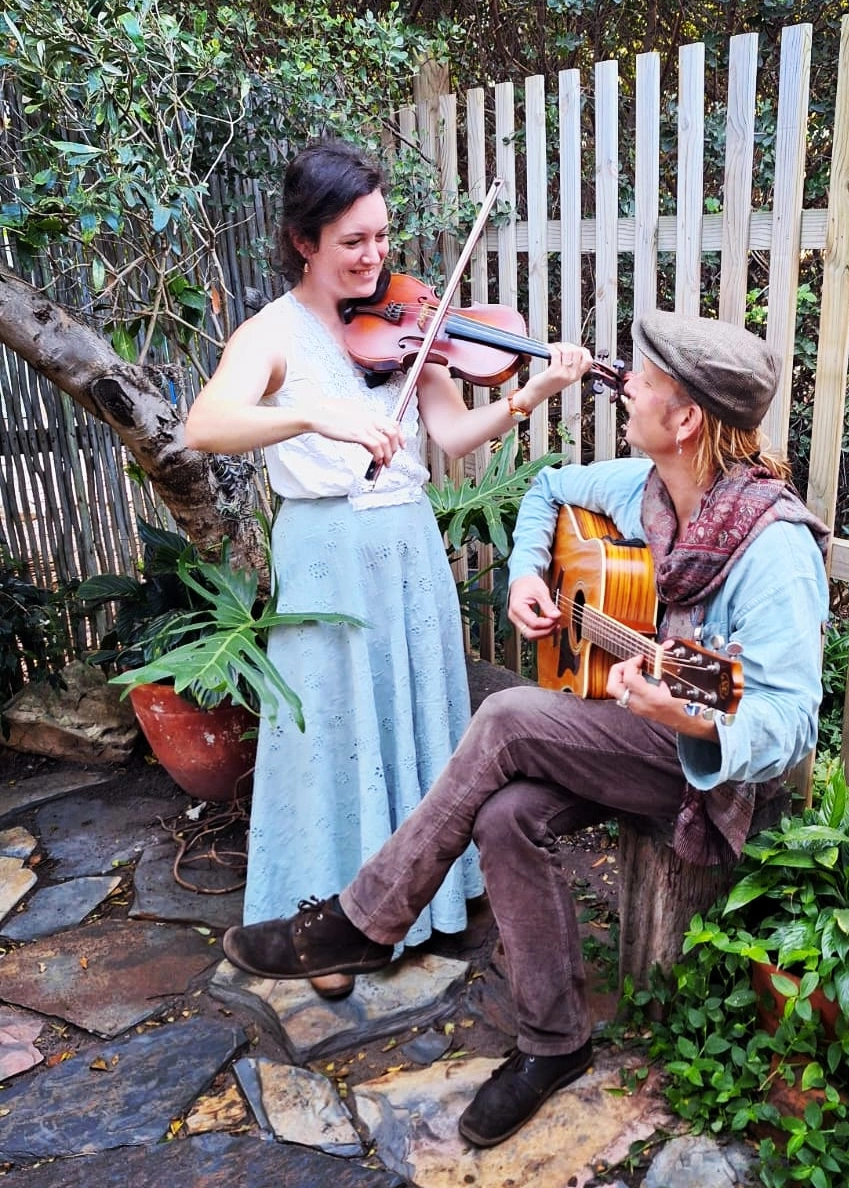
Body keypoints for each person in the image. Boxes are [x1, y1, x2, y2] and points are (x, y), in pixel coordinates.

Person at [219, 309, 830, 1145]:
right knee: (507, 818)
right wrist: (528, 571)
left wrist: (687, 710)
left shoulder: (772, 548)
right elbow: (547, 489)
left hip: (702, 766)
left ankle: (365, 921)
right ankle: (554, 1043)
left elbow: (791, 721)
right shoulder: (651, 490)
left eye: (644, 382)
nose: (626, 387)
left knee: (505, 714)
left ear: (686, 420)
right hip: (625, 728)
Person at [184, 137, 589, 999]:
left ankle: (429, 901)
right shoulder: (272, 334)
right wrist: (311, 420)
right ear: (305, 241)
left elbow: (448, 438)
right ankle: (318, 920)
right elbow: (208, 425)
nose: (374, 259)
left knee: (415, 716)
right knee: (331, 733)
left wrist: (525, 398)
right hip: (326, 555)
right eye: (352, 243)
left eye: (381, 237)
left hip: (406, 545)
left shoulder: (406, 320)